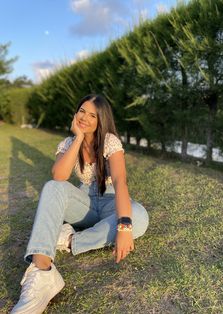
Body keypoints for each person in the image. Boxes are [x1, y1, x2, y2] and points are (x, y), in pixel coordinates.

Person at [11, 94, 149, 314]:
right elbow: (59, 176)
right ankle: (43, 272)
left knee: (139, 217)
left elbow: (121, 181)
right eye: (82, 111)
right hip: (83, 202)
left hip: (110, 199)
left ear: (101, 120)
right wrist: (77, 139)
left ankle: (68, 239)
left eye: (92, 115)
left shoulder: (110, 141)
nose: (85, 117)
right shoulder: (67, 143)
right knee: (52, 187)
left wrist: (124, 226)